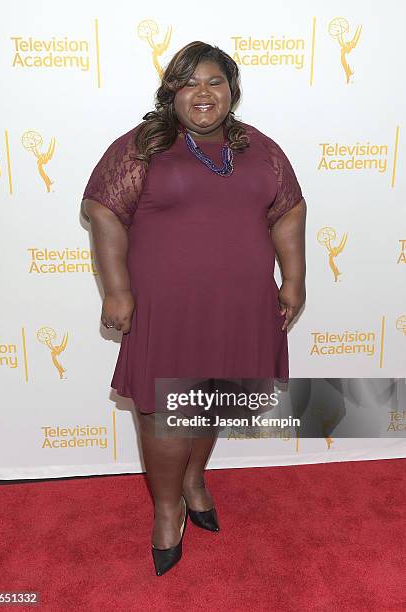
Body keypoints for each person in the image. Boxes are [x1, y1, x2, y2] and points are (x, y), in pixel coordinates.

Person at [81, 41, 306, 576]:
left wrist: (294, 278)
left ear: (232, 90)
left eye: (215, 82)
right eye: (190, 82)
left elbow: (288, 212)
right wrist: (116, 289)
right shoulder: (142, 146)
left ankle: (192, 480)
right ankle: (166, 510)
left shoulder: (262, 149)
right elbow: (103, 211)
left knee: (211, 394)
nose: (203, 93)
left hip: (239, 304)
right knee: (163, 410)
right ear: (172, 92)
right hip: (166, 308)